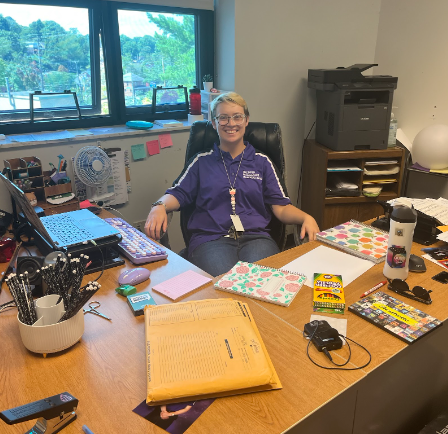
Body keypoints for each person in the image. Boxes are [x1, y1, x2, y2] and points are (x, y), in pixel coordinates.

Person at [145, 92, 319, 276]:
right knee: (226, 285)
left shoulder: (262, 162)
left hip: (256, 238)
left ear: (246, 120)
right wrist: (159, 206)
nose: (231, 123)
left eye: (237, 117)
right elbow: (178, 193)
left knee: (261, 283)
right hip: (211, 240)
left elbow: (281, 208)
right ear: (213, 123)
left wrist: (306, 217)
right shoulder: (201, 162)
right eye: (223, 118)